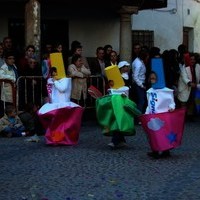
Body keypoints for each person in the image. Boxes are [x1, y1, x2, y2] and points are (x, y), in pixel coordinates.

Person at [38, 64, 84, 145]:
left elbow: (62, 88)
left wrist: (55, 80)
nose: (54, 74)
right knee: (55, 123)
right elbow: (50, 89)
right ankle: (55, 138)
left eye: (55, 72)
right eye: (53, 72)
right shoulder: (50, 80)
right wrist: (53, 80)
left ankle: (65, 139)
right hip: (55, 105)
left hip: (64, 105)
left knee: (65, 124)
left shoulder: (66, 79)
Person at [142, 69, 178, 159]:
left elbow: (171, 102)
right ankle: (155, 151)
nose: (152, 81)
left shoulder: (167, 91)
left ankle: (166, 150)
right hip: (153, 116)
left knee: (164, 134)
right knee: (154, 134)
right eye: (151, 79)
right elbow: (149, 104)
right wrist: (146, 113)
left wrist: (172, 108)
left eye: (154, 78)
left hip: (163, 116)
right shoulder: (150, 91)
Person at [0, 51, 18, 117]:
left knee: (13, 110)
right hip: (6, 94)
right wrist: (11, 78)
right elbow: (1, 76)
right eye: (10, 58)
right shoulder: (4, 67)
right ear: (6, 59)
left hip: (13, 92)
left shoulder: (14, 66)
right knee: (6, 111)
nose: (12, 60)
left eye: (13, 58)